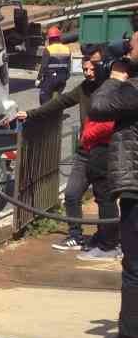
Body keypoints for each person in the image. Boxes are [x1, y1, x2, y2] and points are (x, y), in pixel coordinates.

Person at [42, 43, 120, 257]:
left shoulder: (112, 89)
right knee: (72, 194)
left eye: (93, 67)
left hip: (105, 151)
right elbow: (61, 102)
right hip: (85, 152)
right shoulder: (84, 88)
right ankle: (76, 236)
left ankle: (109, 241)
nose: (88, 72)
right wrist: (30, 114)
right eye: (85, 69)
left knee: (105, 198)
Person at [91, 51, 138, 338]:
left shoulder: (132, 90)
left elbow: (98, 107)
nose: (127, 51)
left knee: (134, 267)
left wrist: (116, 77)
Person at [38, 26, 74, 104]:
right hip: (62, 78)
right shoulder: (67, 49)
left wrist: (38, 79)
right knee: (57, 99)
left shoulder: (48, 49)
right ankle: (56, 110)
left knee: (44, 98)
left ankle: (47, 111)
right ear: (59, 38)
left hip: (50, 78)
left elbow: (44, 66)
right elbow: (69, 66)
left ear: (50, 39)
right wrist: (66, 77)